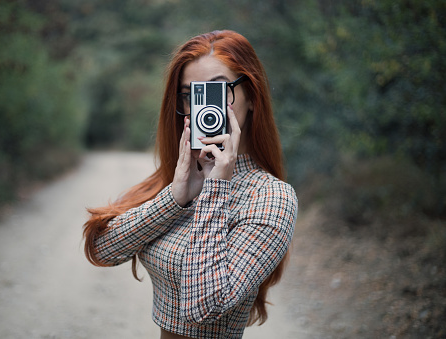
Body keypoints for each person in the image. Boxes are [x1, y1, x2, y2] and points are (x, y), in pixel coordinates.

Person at [83, 30, 298, 339]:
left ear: (251, 96)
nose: (205, 107)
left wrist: (215, 189)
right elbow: (102, 250)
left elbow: (204, 307)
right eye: (190, 95)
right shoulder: (181, 177)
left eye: (218, 91)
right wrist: (174, 198)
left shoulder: (271, 197)